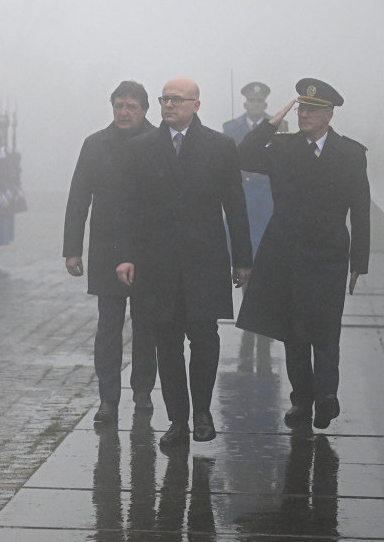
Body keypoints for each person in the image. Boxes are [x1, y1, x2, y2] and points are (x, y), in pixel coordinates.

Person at [114, 78, 252, 448]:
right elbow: (128, 208)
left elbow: (235, 207)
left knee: (204, 338)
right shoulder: (142, 148)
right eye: (165, 99)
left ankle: (203, 412)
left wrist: (243, 260)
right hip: (157, 262)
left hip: (203, 260)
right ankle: (177, 420)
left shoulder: (219, 147)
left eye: (177, 99)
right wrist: (125, 255)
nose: (169, 105)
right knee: (167, 343)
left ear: (196, 104)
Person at [236, 78, 369, 430]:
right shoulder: (282, 148)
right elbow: (244, 155)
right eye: (300, 108)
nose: (304, 114)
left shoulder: (351, 153)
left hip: (328, 253)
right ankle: (302, 400)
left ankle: (327, 397)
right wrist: (273, 120)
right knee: (294, 332)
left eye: (312, 109)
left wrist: (360, 262)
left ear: (329, 114)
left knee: (325, 329)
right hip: (287, 251)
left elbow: (361, 209)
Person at [63, 81, 159, 424]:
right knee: (108, 328)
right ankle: (108, 398)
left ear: (145, 109)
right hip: (107, 247)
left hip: (149, 247)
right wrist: (72, 249)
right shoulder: (95, 145)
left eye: (131, 106)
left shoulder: (159, 142)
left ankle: (143, 391)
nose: (124, 111)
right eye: (119, 105)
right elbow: (79, 197)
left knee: (147, 326)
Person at [223, 82, 288, 368]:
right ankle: (251, 320)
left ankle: (258, 322)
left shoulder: (281, 124)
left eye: (261, 102)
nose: (256, 106)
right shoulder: (230, 127)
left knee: (265, 261)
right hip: (241, 200)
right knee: (243, 259)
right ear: (246, 104)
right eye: (252, 101)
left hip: (267, 200)